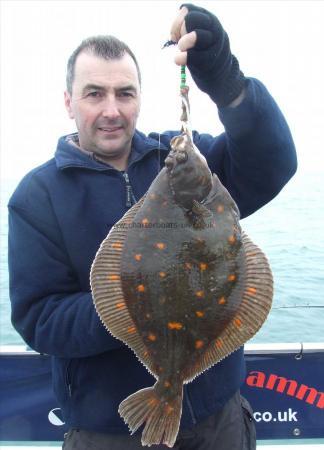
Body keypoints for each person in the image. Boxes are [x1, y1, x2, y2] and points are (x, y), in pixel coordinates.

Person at [8, 4, 297, 450]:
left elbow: (272, 161)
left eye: (125, 93)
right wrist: (139, 305)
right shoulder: (37, 196)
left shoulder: (183, 161)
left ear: (140, 98)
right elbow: (39, 320)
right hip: (108, 432)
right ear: (68, 102)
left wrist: (226, 80)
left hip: (218, 423)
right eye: (94, 94)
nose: (111, 110)